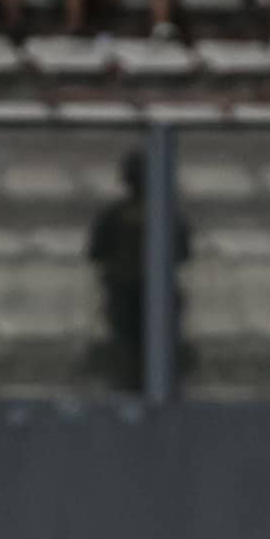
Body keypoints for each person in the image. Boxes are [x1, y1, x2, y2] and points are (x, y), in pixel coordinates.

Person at [87, 150, 191, 392]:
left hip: (129, 295)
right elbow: (184, 253)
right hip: (144, 296)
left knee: (131, 357)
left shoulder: (116, 215)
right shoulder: (165, 214)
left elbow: (96, 253)